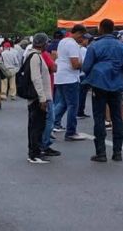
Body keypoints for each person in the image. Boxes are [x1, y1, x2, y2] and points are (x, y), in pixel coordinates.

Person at [83, 18, 123, 162]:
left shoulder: (94, 46)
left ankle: (101, 152)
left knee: (99, 117)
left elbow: (86, 67)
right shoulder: (122, 46)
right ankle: (117, 152)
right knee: (117, 118)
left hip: (99, 83)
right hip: (117, 84)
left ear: (101, 29)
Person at [52, 24, 86, 142]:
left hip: (60, 76)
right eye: (82, 36)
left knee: (63, 103)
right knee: (73, 105)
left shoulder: (63, 41)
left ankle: (50, 125)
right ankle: (71, 132)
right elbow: (75, 64)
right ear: (78, 33)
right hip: (70, 78)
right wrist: (85, 64)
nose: (82, 39)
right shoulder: (72, 44)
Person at [25, 34, 52, 164]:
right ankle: (34, 154)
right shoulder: (35, 57)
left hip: (37, 97)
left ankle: (34, 152)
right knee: (37, 126)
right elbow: (36, 78)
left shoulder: (33, 55)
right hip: (37, 97)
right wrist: (42, 98)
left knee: (35, 126)